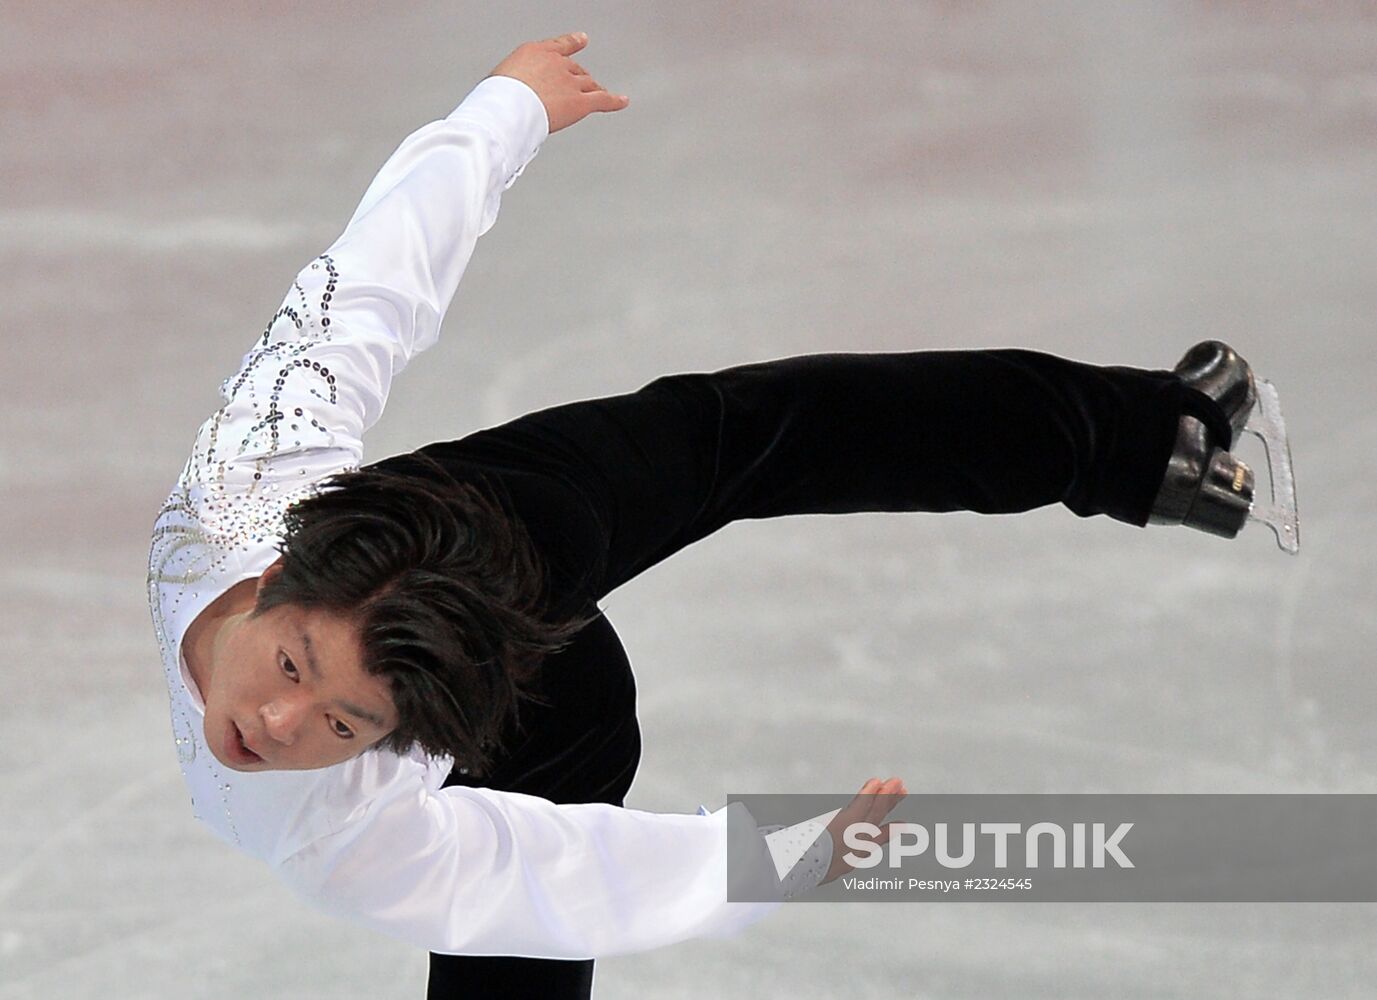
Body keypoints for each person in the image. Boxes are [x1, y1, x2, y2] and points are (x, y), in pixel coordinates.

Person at [146, 31, 1279, 1000]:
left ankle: (1147, 444)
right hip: (498, 659)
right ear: (281, 572)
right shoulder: (338, 806)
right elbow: (548, 871)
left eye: (335, 718)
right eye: (297, 673)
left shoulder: (292, 539)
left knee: (748, 429)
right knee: (549, 806)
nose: (283, 726)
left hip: (473, 532)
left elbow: (368, 287)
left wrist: (507, 114)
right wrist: (773, 858)